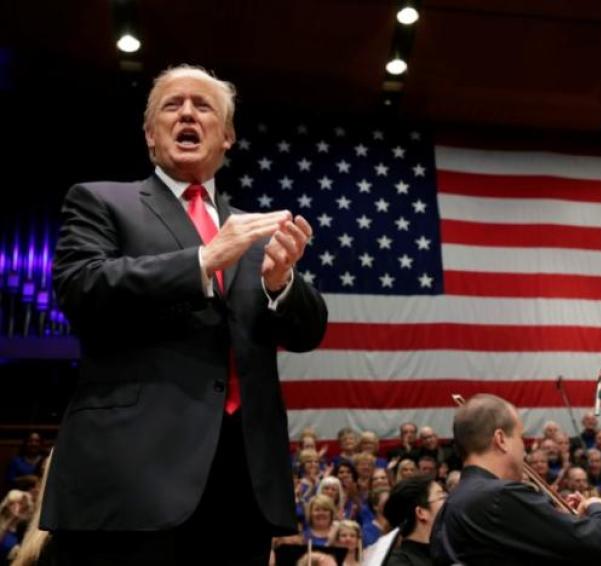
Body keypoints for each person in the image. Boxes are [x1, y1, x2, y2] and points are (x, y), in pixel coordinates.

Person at [42, 65, 328, 566]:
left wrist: (279, 283)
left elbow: (309, 332)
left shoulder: (254, 230)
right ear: (151, 135)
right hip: (131, 477)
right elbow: (80, 286)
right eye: (172, 106)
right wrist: (202, 261)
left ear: (228, 136)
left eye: (203, 106)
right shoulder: (101, 200)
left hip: (242, 480)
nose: (188, 114)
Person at [430, 394, 601, 565]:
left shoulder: (450, 505)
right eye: (520, 437)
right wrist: (598, 507)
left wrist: (555, 518)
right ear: (501, 439)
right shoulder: (501, 496)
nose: (523, 447)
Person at [384, 475, 446, 566]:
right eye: (441, 497)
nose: (448, 502)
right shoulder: (398, 562)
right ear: (421, 512)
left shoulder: (447, 554)